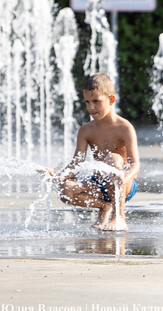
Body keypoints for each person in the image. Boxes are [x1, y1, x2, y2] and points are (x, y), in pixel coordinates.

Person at [42, 73, 140, 231]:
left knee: (114, 160)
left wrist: (124, 178)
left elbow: (135, 164)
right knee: (66, 190)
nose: (91, 107)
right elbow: (76, 163)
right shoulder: (86, 130)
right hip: (98, 183)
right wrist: (57, 176)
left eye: (96, 101)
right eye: (87, 102)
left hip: (123, 185)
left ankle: (119, 217)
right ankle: (104, 207)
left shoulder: (124, 127)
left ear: (111, 100)